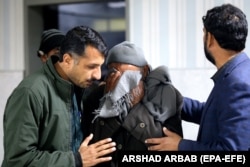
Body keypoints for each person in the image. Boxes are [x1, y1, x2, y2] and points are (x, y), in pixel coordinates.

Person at [2, 25, 116, 167]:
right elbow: (18, 160)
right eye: (91, 67)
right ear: (67, 60)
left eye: (100, 66)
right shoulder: (30, 92)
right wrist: (76, 160)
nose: (98, 75)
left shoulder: (81, 87)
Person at [145, 3, 250, 151]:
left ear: (211, 39)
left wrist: (180, 145)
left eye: (203, 33)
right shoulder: (238, 72)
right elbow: (213, 115)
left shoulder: (238, 83)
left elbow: (233, 152)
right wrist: (169, 98)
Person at [83, 41, 183, 166]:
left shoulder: (166, 96)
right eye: (115, 73)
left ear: (144, 71)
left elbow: (164, 145)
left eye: (128, 76)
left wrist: (135, 109)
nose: (122, 82)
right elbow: (94, 143)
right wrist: (110, 102)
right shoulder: (97, 96)